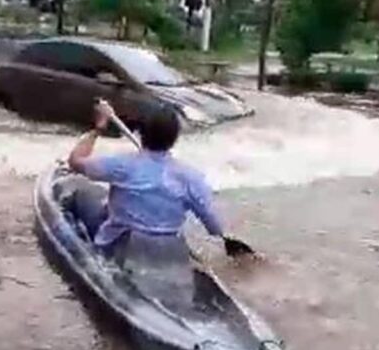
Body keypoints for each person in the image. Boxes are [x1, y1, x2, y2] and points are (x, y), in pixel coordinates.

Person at [67, 101, 248, 258]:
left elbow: (75, 161)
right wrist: (220, 235)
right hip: (164, 249)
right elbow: (212, 223)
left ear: (141, 133)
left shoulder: (122, 165)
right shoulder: (191, 178)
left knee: (81, 195)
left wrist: (98, 128)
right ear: (174, 138)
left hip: (120, 245)